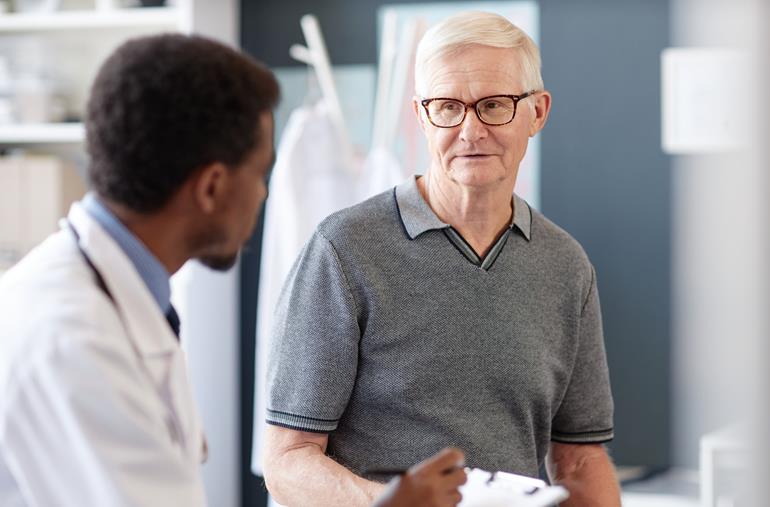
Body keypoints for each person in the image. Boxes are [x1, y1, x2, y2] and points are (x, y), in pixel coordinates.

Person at [0, 34, 463, 507]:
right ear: (212, 187)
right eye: (260, 174)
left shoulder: (118, 295)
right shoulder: (75, 340)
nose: (263, 197)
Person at [263, 10, 621, 507]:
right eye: (448, 107)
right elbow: (288, 460)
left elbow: (581, 459)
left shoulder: (565, 266)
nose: (470, 130)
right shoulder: (344, 251)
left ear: (537, 112)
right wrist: (390, 503)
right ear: (422, 116)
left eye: (494, 105)